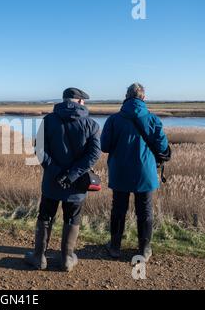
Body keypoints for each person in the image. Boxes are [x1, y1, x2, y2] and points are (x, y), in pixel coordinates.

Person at [25, 88, 101, 272]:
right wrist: (72, 174)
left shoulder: (49, 120)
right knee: (72, 217)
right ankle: (66, 259)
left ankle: (38, 258)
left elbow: (40, 151)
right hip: (77, 184)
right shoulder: (91, 124)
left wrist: (57, 173)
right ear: (80, 102)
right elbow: (94, 154)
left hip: (52, 181)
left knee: (45, 215)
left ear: (65, 100)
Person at [101, 83, 170, 262]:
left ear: (126, 96)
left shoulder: (113, 120)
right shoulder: (153, 120)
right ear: (143, 98)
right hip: (145, 173)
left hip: (120, 171)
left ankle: (115, 247)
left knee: (118, 209)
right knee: (145, 211)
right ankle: (144, 249)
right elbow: (163, 147)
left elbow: (104, 146)